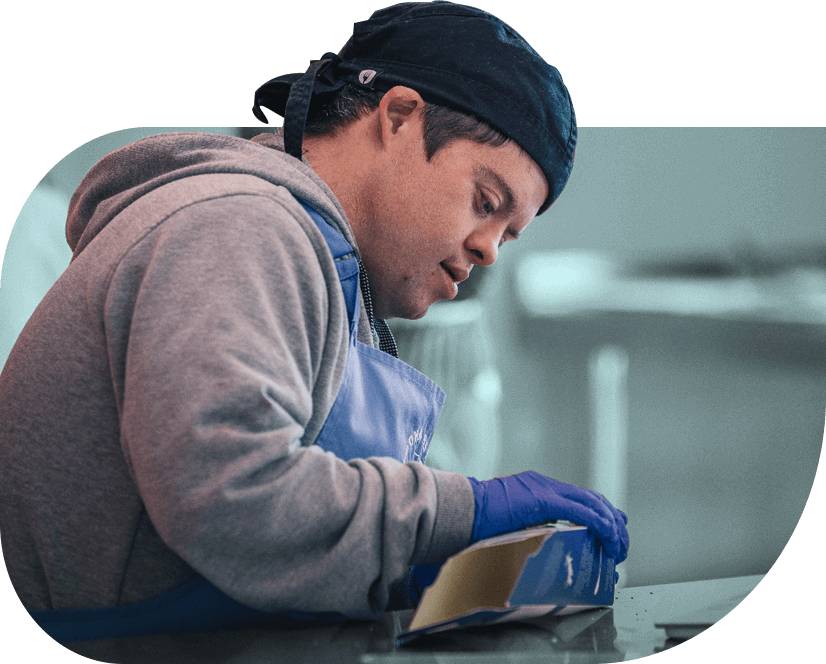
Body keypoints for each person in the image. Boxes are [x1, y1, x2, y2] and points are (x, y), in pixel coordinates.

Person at [0, 1, 628, 644]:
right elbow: (232, 502)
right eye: (485, 202)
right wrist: (462, 512)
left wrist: (408, 572)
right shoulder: (241, 225)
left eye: (509, 234)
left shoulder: (323, 266)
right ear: (401, 117)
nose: (489, 249)